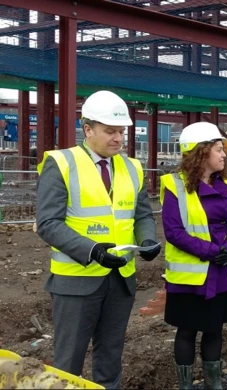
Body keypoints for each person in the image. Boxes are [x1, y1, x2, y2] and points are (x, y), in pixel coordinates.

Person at [35, 90, 160, 389]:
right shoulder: (61, 163)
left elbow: (142, 215)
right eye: (110, 131)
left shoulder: (132, 167)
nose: (118, 138)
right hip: (77, 280)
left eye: (121, 131)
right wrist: (92, 251)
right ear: (87, 129)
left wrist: (147, 240)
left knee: (110, 356)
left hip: (120, 279)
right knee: (69, 361)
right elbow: (48, 223)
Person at [160, 122, 227, 389]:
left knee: (214, 328)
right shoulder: (175, 186)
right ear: (201, 152)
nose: (225, 155)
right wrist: (213, 252)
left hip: (221, 271)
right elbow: (174, 231)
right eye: (218, 149)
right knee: (186, 330)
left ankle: (214, 383)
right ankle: (186, 385)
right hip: (191, 276)